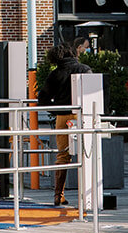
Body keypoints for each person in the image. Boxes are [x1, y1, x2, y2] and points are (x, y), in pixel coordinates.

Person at [39, 42, 91, 207]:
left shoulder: (55, 74)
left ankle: (58, 195)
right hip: (84, 115)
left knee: (63, 156)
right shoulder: (84, 69)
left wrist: (56, 111)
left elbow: (43, 99)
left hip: (62, 117)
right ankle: (88, 196)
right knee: (88, 154)